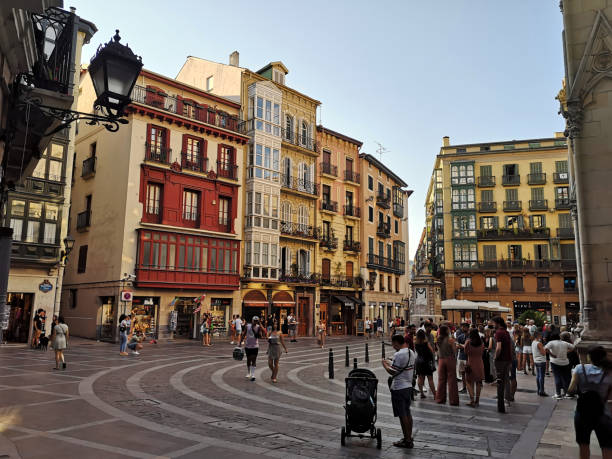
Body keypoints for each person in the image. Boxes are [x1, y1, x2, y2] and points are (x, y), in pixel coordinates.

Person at [567, 346, 612, 459]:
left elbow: (570, 390)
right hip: (603, 413)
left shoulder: (579, 368)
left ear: (589, 357)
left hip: (582, 412)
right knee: (607, 447)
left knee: (584, 445)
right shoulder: (610, 372)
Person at [382, 334, 416, 449]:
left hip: (399, 387)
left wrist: (385, 365)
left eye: (393, 343)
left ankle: (406, 440)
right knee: (408, 412)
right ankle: (409, 437)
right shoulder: (411, 352)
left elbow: (393, 372)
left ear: (397, 342)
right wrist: (392, 361)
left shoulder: (398, 354)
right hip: (408, 386)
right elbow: (402, 367)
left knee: (402, 415)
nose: (392, 346)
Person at [545, 330, 575, 399]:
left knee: (557, 377)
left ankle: (558, 394)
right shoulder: (564, 343)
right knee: (566, 378)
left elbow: (546, 349)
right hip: (565, 362)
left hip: (555, 362)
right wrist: (566, 352)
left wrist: (552, 355)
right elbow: (573, 347)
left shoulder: (551, 342)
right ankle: (567, 393)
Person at [435, 324, 459, 406]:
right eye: (448, 329)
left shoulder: (438, 339)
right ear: (446, 331)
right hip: (449, 359)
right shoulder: (450, 340)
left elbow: (438, 351)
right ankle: (453, 401)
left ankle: (440, 399)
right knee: (452, 380)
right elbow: (454, 350)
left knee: (441, 380)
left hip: (441, 360)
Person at [493, 316, 513, 413]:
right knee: (506, 379)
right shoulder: (506, 332)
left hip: (501, 360)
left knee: (500, 382)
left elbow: (498, 348)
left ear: (497, 323)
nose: (493, 325)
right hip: (507, 359)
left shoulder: (499, 333)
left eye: (493, 323)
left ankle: (501, 406)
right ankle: (507, 399)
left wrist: (495, 357)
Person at [464, 329, 484, 407]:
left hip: (471, 363)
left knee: (469, 381)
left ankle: (472, 400)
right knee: (478, 382)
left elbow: (465, 351)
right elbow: (482, 351)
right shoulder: (481, 342)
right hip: (479, 363)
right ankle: (477, 401)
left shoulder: (468, 342)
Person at [241, 316, 265, 381]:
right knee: (248, 359)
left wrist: (260, 324)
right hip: (248, 345)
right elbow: (243, 334)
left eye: (257, 321)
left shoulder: (258, 327)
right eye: (254, 320)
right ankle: (249, 372)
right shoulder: (247, 326)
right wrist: (240, 341)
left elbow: (264, 331)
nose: (255, 322)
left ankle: (253, 374)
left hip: (255, 346)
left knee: (253, 359)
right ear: (252, 320)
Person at [414, 329, 436, 399]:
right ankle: (435, 395)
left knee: (420, 378)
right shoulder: (426, 343)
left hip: (419, 361)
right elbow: (432, 351)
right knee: (430, 379)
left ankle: (421, 393)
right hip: (426, 361)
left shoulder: (415, 343)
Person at [532, 331, 548, 396]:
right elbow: (543, 353)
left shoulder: (533, 342)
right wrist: (545, 349)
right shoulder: (539, 343)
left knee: (538, 376)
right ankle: (542, 391)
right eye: (540, 335)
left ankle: (539, 390)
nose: (541, 336)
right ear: (538, 336)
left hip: (536, 360)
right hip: (541, 361)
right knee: (541, 376)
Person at [455, 323, 469, 394]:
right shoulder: (460, 336)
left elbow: (469, 347)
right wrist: (463, 346)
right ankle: (464, 387)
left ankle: (469, 387)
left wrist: (462, 346)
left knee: (469, 373)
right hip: (461, 356)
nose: (463, 328)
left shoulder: (470, 336)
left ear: (467, 328)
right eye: (462, 327)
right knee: (463, 373)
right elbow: (457, 346)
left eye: (464, 327)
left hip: (468, 357)